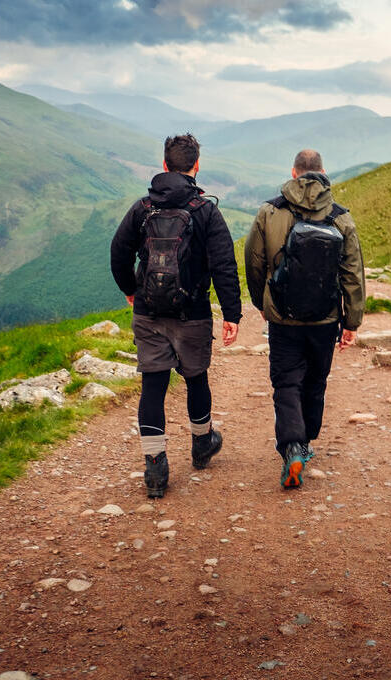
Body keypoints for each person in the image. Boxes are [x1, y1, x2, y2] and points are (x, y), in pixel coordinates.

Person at [111, 133, 241, 497]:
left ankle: (155, 469)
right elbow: (224, 265)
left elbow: (118, 252)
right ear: (196, 166)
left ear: (164, 164)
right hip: (194, 312)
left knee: (153, 385)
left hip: (149, 311)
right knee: (196, 378)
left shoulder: (142, 208)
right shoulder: (206, 210)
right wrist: (232, 313)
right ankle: (202, 444)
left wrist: (131, 291)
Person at [244, 148, 365, 489]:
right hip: (325, 319)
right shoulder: (341, 218)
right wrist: (351, 322)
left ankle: (293, 446)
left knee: (286, 383)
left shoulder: (270, 211)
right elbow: (352, 273)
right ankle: (306, 441)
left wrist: (264, 302)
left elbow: (254, 262)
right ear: (324, 172)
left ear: (293, 173)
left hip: (283, 318)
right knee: (315, 382)